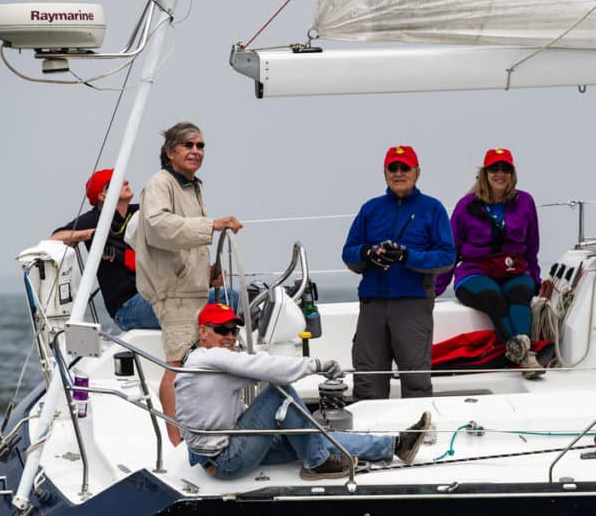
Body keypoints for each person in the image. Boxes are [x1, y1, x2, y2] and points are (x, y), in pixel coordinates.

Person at [175, 303, 432, 480]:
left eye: (234, 330)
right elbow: (265, 367)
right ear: (203, 332)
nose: (230, 336)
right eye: (222, 330)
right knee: (280, 391)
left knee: (312, 436)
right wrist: (316, 365)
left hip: (224, 450)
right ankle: (317, 464)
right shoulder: (210, 359)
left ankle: (395, 445)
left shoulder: (200, 361)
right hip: (226, 460)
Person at [133, 122, 244, 445]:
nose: (196, 151)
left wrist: (206, 272)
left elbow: (182, 235)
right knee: (178, 366)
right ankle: (176, 443)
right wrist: (213, 225)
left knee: (192, 363)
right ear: (170, 153)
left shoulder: (190, 186)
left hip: (193, 289)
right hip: (174, 294)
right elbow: (156, 227)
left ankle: (193, 435)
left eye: (201, 146)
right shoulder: (160, 183)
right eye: (188, 145)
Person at [52, 168, 236, 332]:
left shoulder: (141, 212)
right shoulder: (94, 218)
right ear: (103, 196)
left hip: (160, 294)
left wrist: (207, 277)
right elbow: (54, 238)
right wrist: (89, 234)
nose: (125, 182)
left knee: (232, 298)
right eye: (116, 181)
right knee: (210, 302)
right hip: (127, 307)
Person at [341, 145, 456, 400]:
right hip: (373, 305)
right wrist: (368, 254)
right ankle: (368, 438)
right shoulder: (370, 209)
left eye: (405, 168)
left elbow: (447, 256)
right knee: (368, 382)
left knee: (416, 382)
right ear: (385, 173)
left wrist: (407, 257)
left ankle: (416, 438)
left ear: (417, 172)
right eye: (393, 168)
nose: (399, 173)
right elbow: (348, 252)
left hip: (412, 304)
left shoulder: (433, 209)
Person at [434, 148, 543, 378]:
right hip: (475, 271)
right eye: (494, 168)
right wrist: (436, 287)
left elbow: (532, 246)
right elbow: (452, 249)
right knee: (493, 298)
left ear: (512, 173)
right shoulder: (466, 206)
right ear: (485, 173)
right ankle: (526, 357)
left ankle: (520, 352)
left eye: (505, 168)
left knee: (520, 293)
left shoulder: (525, 201)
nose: (499, 173)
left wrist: (536, 279)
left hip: (513, 269)